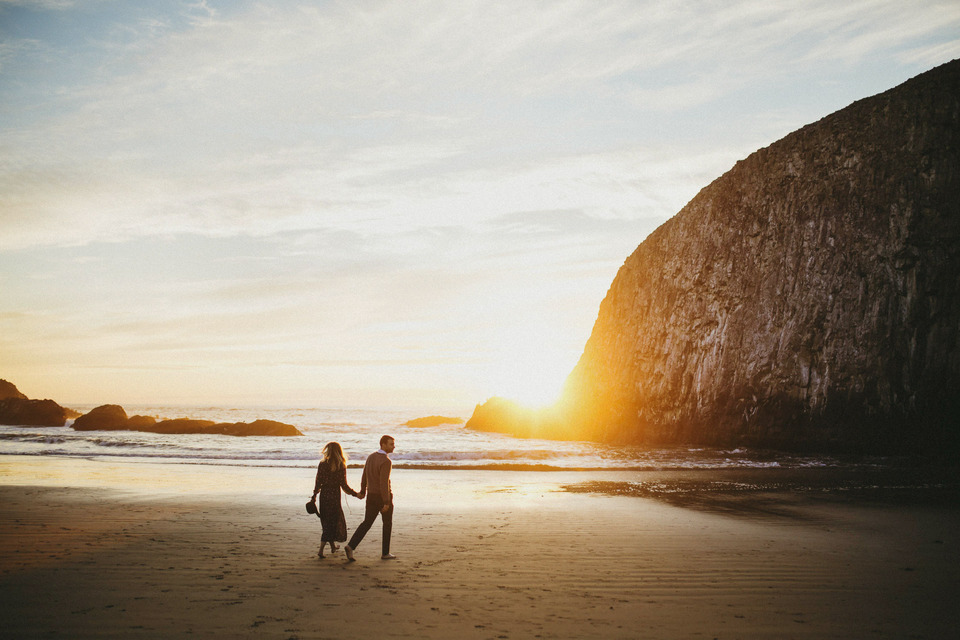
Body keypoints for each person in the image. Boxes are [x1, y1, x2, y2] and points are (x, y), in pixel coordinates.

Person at [344, 435, 396, 561]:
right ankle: (385, 553)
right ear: (383, 444)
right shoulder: (386, 461)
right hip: (382, 497)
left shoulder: (371, 457)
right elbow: (383, 483)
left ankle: (351, 546)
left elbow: (364, 475)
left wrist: (363, 490)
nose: (393, 446)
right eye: (391, 444)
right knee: (387, 524)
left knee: (366, 523)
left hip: (371, 496)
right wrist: (386, 502)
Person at [311, 442, 360, 558]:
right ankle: (321, 550)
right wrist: (355, 494)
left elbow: (318, 482)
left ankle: (332, 546)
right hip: (334, 496)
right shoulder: (340, 465)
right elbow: (344, 485)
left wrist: (314, 496)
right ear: (339, 451)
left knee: (327, 521)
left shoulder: (322, 464)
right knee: (333, 521)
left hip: (324, 495)